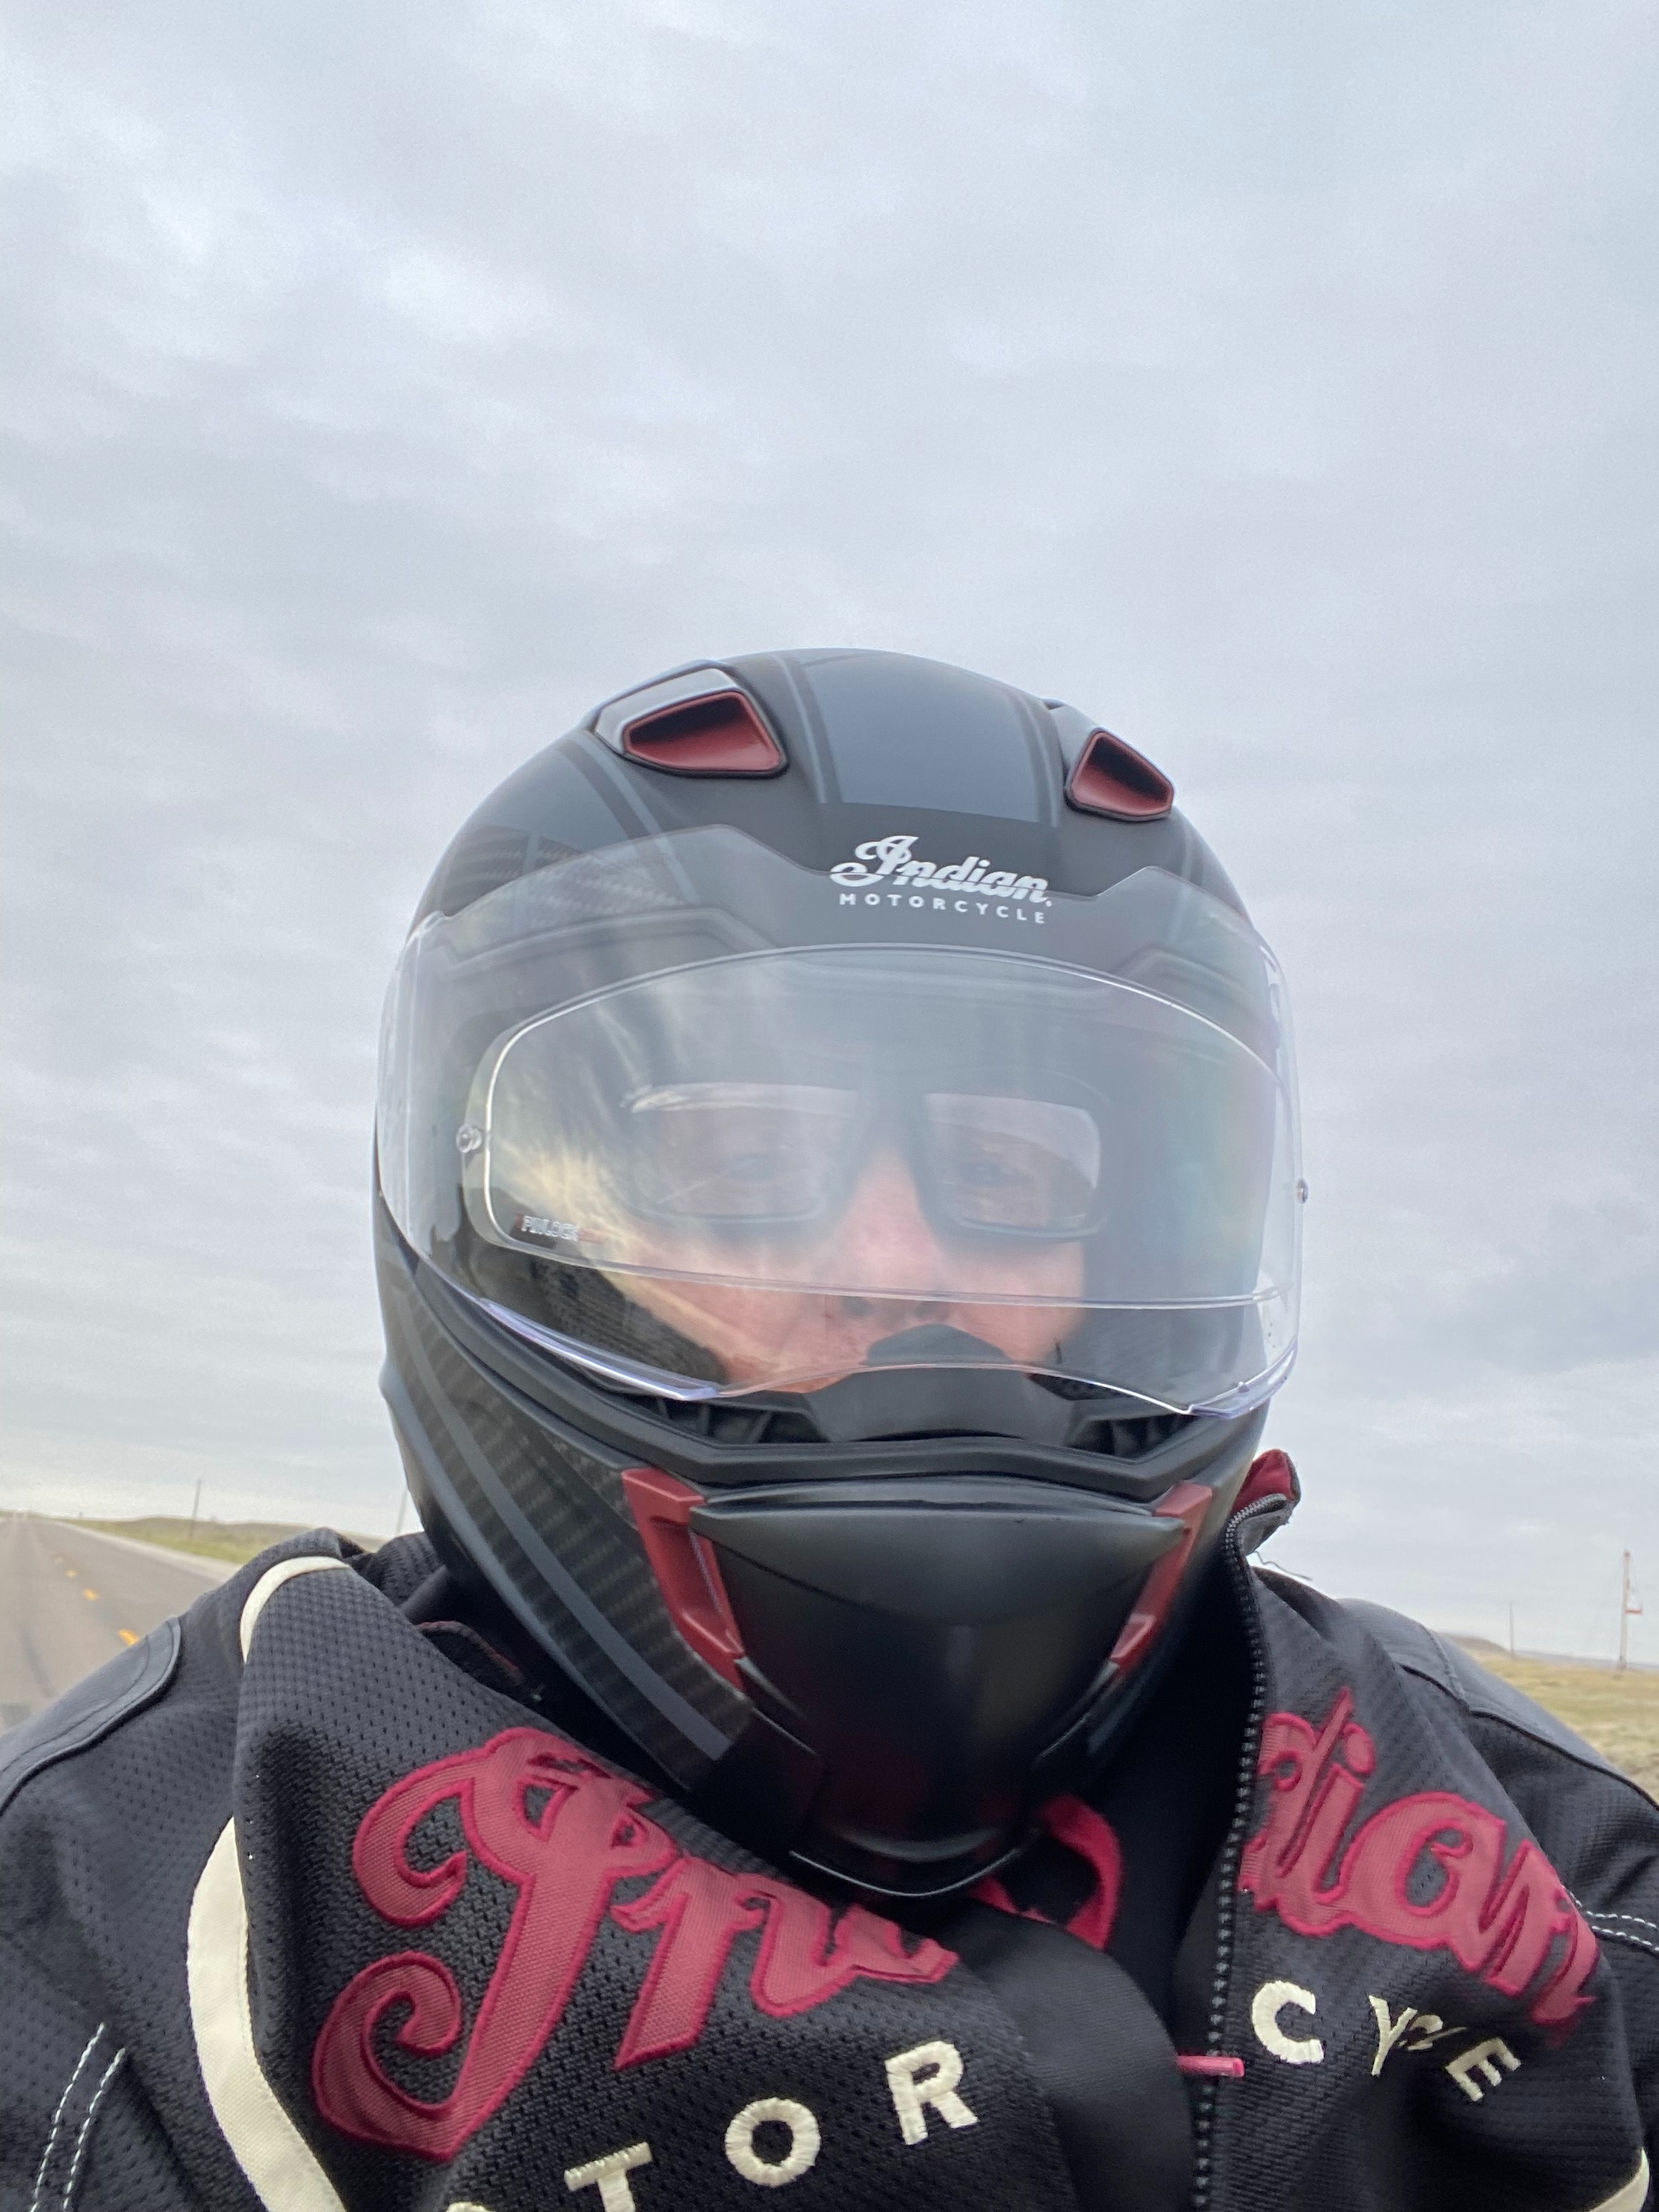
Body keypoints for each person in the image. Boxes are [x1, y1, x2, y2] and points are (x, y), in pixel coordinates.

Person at [2, 648, 1655, 2212]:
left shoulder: (1530, 1853)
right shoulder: (163, 1902)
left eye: (1009, 1174)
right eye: (739, 1161)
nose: (897, 1262)